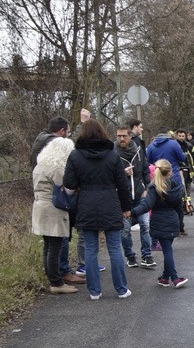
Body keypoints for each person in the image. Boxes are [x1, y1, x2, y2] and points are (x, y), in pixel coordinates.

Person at [62, 119, 133, 300]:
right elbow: (122, 184)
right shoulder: (112, 154)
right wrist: (126, 207)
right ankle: (121, 289)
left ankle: (94, 291)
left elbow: (69, 184)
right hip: (110, 203)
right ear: (102, 132)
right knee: (115, 249)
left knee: (91, 249)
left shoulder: (75, 155)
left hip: (86, 204)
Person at [32, 137, 78, 294]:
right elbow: (67, 188)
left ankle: (51, 278)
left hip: (39, 207)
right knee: (55, 248)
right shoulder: (56, 169)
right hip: (53, 209)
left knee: (48, 246)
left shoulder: (40, 165)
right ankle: (56, 283)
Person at [132, 160, 187, 288]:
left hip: (159, 222)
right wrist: (180, 225)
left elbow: (146, 205)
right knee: (168, 249)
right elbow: (179, 208)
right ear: (170, 172)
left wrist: (133, 212)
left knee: (167, 251)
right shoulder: (175, 187)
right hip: (173, 221)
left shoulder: (154, 187)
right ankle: (164, 278)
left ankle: (175, 278)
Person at [115, 126, 154, 269]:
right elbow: (109, 174)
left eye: (124, 136)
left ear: (130, 136)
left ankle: (147, 255)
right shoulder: (112, 152)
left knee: (145, 225)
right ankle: (130, 256)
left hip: (139, 193)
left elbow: (145, 170)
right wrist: (122, 173)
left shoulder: (138, 150)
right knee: (125, 230)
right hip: (122, 197)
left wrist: (146, 188)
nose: (121, 139)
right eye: (119, 136)